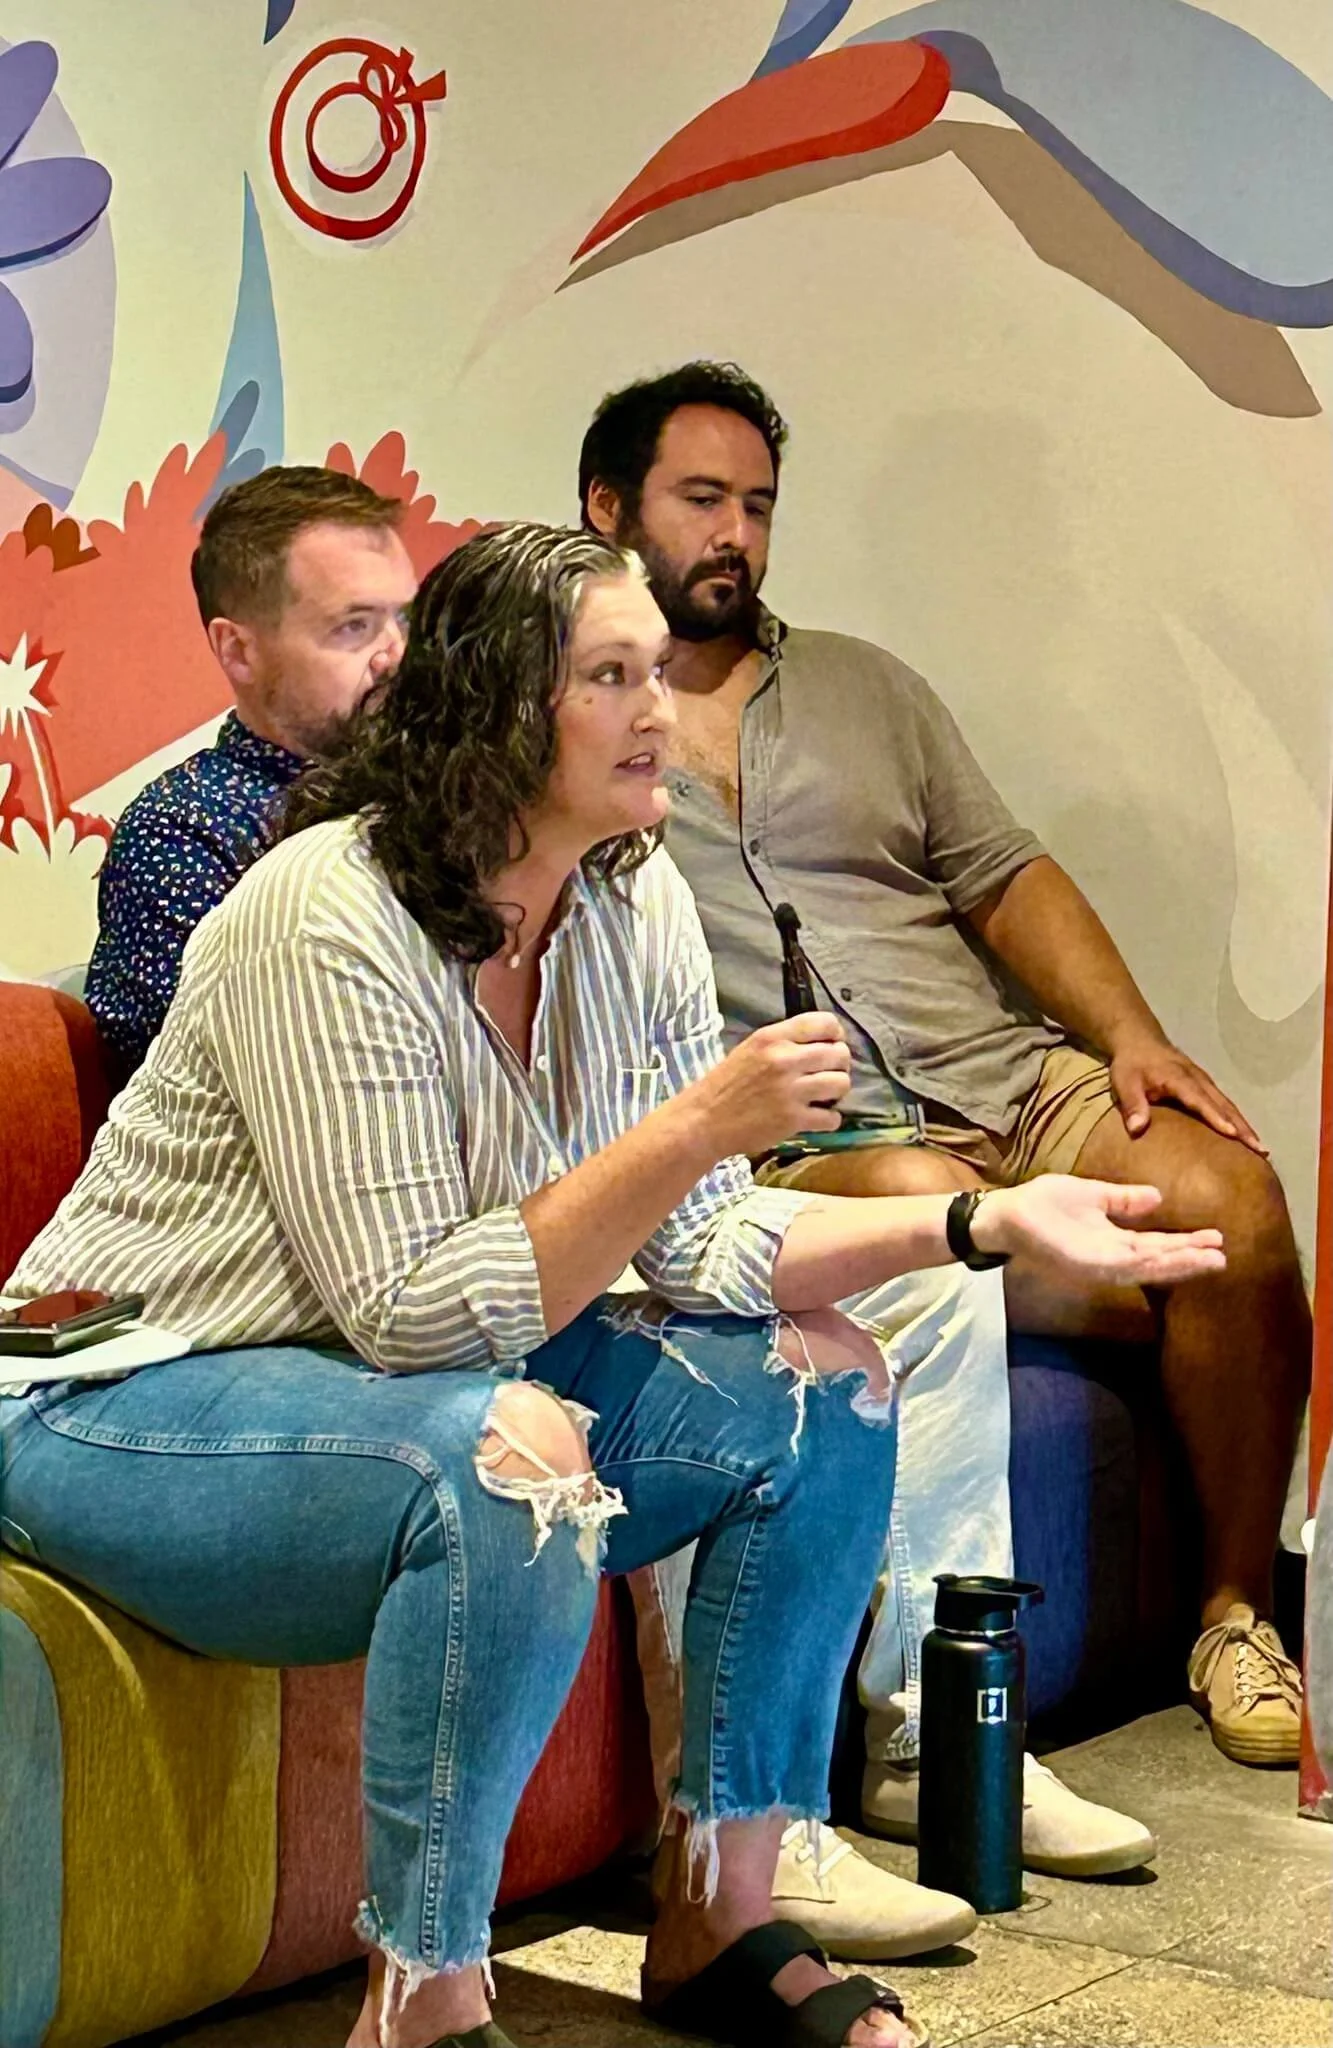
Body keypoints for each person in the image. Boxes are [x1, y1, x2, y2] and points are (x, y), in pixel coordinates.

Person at [1, 524, 1226, 2048]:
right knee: (512, 1452)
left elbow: (705, 1244)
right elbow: (410, 1313)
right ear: (498, 708)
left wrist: (982, 1226)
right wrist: (695, 1123)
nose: (662, 709)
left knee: (826, 1377)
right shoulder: (323, 913)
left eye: (657, 669)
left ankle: (723, 1915)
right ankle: (426, 2001)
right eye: (613, 676)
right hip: (126, 1393)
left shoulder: (627, 896)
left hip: (379, 1391)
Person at [579, 361, 1309, 1808]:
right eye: (702, 500)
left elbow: (998, 872)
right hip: (806, 1135)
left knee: (1229, 1200)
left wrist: (1131, 1040)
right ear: (609, 507)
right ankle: (936, 1709)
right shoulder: (578, 718)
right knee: (929, 1207)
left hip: (999, 1078)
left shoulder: (864, 686)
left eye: (760, 508)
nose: (736, 535)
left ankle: (1236, 1618)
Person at [84, 464, 418, 1082]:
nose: (396, 655)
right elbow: (235, 1074)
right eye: (354, 626)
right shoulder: (181, 832)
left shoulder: (437, 795)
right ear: (238, 650)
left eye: (403, 618)